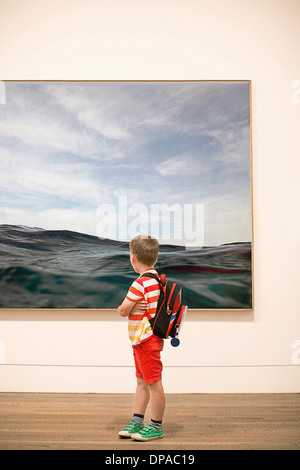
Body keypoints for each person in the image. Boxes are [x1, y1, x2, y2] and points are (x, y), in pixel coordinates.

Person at [117, 235, 165, 441]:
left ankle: (156, 426)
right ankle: (138, 420)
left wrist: (131, 306)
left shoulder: (139, 283)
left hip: (145, 340)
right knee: (142, 381)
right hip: (146, 339)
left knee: (153, 383)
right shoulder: (157, 280)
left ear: (133, 258)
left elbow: (122, 311)